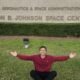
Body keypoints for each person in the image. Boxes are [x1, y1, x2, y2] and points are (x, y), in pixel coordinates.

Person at [10, 46, 76, 80]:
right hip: (37, 73)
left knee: (54, 73)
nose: (42, 51)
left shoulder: (51, 57)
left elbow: (59, 58)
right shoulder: (34, 57)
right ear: (39, 51)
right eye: (41, 50)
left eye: (44, 50)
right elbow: (26, 57)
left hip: (47, 73)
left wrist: (68, 57)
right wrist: (17, 55)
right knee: (32, 72)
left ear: (46, 51)